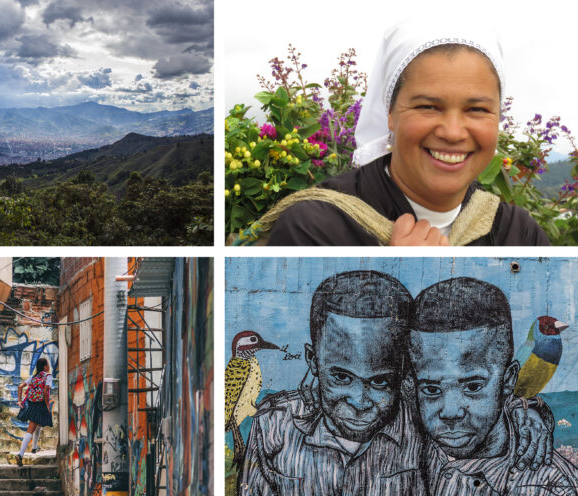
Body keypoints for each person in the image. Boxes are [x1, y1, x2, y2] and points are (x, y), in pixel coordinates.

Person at [238, 271, 552, 495]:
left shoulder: (422, 417)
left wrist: (524, 412)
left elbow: (477, 414)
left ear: (404, 373)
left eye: (379, 382)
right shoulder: (275, 424)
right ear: (312, 362)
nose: (359, 402)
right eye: (341, 377)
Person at [267, 18, 549, 246]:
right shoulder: (316, 229)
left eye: (476, 109)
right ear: (390, 113)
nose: (452, 133)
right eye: (428, 106)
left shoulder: (519, 234)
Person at [408, 278, 578, 495]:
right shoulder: (408, 442)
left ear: (509, 380)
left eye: (473, 386)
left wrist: (526, 409)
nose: (451, 412)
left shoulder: (550, 487)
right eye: (432, 390)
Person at [15, 357, 54, 466]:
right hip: (40, 405)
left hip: (31, 404)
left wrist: (19, 401)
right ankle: (20, 454)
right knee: (31, 429)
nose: (49, 366)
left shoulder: (33, 377)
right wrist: (47, 405)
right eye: (48, 364)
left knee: (38, 424)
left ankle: (34, 447)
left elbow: (20, 386)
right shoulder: (48, 376)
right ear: (45, 367)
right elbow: (46, 391)